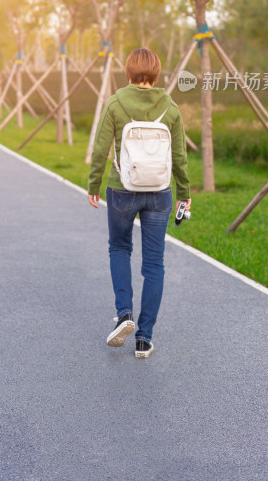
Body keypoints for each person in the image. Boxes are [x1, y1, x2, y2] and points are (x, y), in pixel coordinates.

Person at [87, 47, 191, 358]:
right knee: (154, 264)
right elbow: (180, 158)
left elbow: (100, 148)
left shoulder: (116, 104)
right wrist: (184, 191)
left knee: (119, 248)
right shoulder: (171, 108)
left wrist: (93, 184)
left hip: (122, 190)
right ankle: (144, 339)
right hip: (160, 193)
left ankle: (124, 315)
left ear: (128, 73)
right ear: (157, 74)